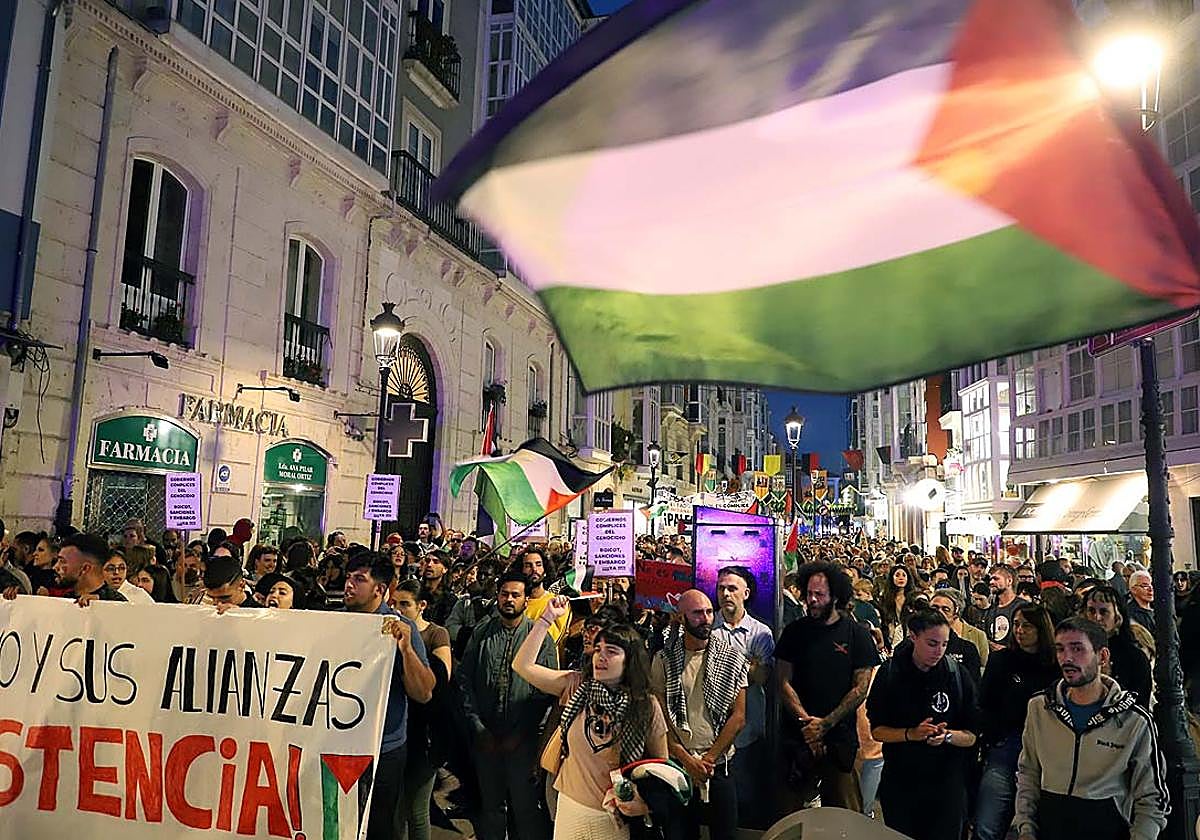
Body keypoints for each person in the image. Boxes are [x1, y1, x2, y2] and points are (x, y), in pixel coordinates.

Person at [515, 594, 669, 840]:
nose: (601, 656)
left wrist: (644, 801)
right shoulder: (577, 686)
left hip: (615, 815)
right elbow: (523, 666)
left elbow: (659, 766)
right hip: (570, 805)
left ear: (630, 659)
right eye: (598, 650)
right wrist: (546, 619)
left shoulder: (645, 705)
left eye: (611, 651)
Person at [1014, 617, 1168, 840]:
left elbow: (1152, 796)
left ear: (1102, 656)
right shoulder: (1040, 708)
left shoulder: (1134, 721)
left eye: (1077, 649)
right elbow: (1029, 773)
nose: (1067, 658)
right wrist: (1026, 828)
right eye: (1060, 649)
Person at [457, 571, 556, 840]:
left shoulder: (540, 638)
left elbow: (545, 693)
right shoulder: (482, 632)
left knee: (525, 810)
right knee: (491, 808)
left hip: (522, 743)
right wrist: (478, 727)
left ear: (526, 600)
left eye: (515, 595)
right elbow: (465, 681)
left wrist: (521, 733)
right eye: (504, 594)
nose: (509, 599)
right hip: (485, 739)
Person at [343, 552, 434, 840]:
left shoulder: (398, 628)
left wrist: (406, 650)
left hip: (383, 748)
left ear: (380, 590)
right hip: (338, 743)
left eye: (359, 580)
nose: (349, 585)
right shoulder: (333, 622)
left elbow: (424, 693)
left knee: (379, 827)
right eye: (348, 578)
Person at [866, 610, 980, 840]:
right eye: (932, 643)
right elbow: (877, 731)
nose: (938, 651)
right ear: (913, 637)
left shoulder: (956, 674)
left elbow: (972, 735)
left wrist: (946, 736)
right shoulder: (890, 674)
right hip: (901, 783)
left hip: (946, 784)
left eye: (944, 644)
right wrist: (911, 734)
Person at [776, 561, 879, 811]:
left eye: (819, 595)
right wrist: (807, 725)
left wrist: (825, 724)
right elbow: (782, 681)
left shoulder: (857, 635)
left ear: (835, 596)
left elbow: (860, 688)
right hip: (796, 738)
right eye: (808, 593)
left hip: (840, 740)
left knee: (845, 815)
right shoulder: (793, 632)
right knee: (787, 816)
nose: (811, 600)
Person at [650, 589, 747, 840]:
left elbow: (738, 717)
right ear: (681, 618)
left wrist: (708, 760)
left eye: (707, 612)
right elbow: (659, 721)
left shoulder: (733, 657)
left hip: (719, 765)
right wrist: (687, 760)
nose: (705, 618)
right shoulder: (664, 660)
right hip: (678, 766)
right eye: (696, 613)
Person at [974, 605, 1061, 840]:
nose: (1020, 630)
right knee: (987, 820)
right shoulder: (1002, 660)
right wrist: (994, 735)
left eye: (1027, 625)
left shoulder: (1056, 666)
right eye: (1016, 624)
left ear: (1041, 629)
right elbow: (985, 701)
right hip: (1007, 745)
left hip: (1045, 750)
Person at [390, 579, 453, 840]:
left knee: (416, 811)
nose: (398, 610)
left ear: (421, 606)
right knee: (396, 809)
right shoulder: (385, 631)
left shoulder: (436, 635)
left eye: (405, 604)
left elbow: (440, 681)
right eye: (393, 603)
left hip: (424, 734)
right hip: (399, 728)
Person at [713, 565, 775, 826]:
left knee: (745, 802)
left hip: (747, 731)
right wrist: (746, 664)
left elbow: (762, 677)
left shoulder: (761, 633)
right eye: (721, 588)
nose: (726, 594)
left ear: (746, 593)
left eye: (732, 588)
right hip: (712, 733)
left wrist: (727, 662)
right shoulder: (707, 627)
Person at [1082, 586, 1152, 709]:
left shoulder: (1134, 657)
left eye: (1103, 612)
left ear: (1117, 616)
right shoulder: (1073, 652)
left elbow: (1140, 706)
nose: (1097, 617)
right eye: (1091, 611)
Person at [57, 534, 128, 604]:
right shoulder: (65, 598)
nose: (56, 567)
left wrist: (101, 603)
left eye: (63, 561)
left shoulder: (118, 605)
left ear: (85, 568)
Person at [929, 590, 983, 680]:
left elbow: (973, 688)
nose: (939, 613)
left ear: (954, 616)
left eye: (945, 610)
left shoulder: (968, 649)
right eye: (934, 608)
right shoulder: (910, 645)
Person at [520, 547, 570, 641]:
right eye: (528, 565)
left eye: (538, 564)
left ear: (545, 569)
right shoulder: (516, 602)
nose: (534, 569)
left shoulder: (557, 603)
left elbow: (551, 639)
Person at [983, 566, 1028, 651]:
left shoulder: (1023, 607)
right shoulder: (991, 610)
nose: (991, 582)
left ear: (1009, 581)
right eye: (991, 579)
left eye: (996, 579)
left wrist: (1007, 650)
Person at [420, 549, 458, 626]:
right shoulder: (416, 591)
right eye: (427, 561)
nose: (429, 565)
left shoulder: (450, 599)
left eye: (436, 562)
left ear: (445, 569)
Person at [1126, 570, 1156, 635]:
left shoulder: (1158, 609)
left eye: (1151, 585)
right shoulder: (1130, 613)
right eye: (1145, 586)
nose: (1150, 589)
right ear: (1134, 590)